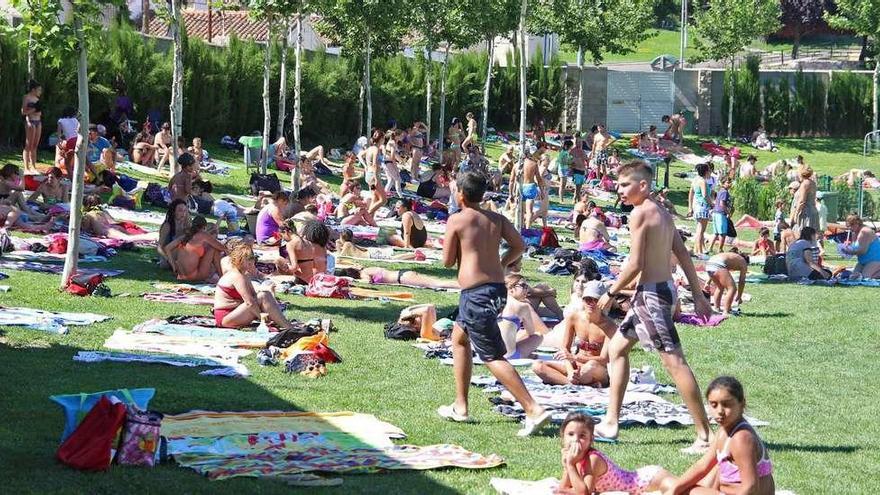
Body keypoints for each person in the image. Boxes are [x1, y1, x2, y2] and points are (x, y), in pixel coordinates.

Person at [595, 161, 713, 451]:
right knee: (616, 348)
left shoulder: (640, 213)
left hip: (651, 297)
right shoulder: (662, 212)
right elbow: (684, 255)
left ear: (643, 186)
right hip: (655, 293)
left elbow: (636, 264)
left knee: (674, 362)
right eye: (619, 185)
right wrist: (697, 295)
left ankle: (705, 435)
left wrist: (611, 291)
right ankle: (611, 422)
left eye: (625, 185)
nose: (619, 190)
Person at [438, 171, 550, 436]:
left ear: (461, 195)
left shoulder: (457, 220)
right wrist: (500, 263)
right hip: (496, 290)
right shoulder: (497, 219)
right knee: (459, 339)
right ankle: (460, 406)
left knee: (491, 356)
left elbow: (446, 261)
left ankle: (533, 409)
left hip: (476, 294)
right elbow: (519, 245)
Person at [668, 376, 775, 495]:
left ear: (742, 403)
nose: (720, 411)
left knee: (675, 486)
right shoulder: (724, 431)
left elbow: (750, 487)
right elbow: (702, 466)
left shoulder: (742, 438)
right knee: (679, 486)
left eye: (726, 404)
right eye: (713, 405)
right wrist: (674, 489)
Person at [557, 412, 676, 495]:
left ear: (591, 439)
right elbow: (563, 489)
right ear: (563, 437)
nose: (575, 440)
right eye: (571, 434)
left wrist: (571, 465)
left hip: (647, 481)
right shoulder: (574, 457)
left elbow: (584, 493)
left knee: (685, 489)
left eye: (582, 436)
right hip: (640, 481)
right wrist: (568, 466)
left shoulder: (592, 459)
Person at [532, 281, 617, 387]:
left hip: (597, 369)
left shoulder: (610, 327)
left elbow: (604, 359)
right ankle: (572, 382)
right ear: (583, 300)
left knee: (590, 366)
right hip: (575, 366)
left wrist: (575, 358)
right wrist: (571, 370)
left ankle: (569, 380)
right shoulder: (574, 318)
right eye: (587, 299)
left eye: (596, 300)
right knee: (538, 366)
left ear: (603, 302)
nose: (591, 303)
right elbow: (564, 349)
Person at [213, 242, 297, 330]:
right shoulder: (237, 276)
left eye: (252, 258)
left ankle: (285, 324)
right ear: (239, 260)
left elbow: (254, 296)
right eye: (249, 258)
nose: (252, 261)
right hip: (225, 317)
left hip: (234, 313)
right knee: (264, 295)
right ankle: (288, 326)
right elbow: (249, 302)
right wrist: (262, 319)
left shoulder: (244, 274)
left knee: (264, 294)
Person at [164, 216, 226, 282]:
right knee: (214, 249)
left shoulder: (185, 236)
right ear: (204, 227)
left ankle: (221, 276)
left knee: (207, 252)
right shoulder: (203, 235)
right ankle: (223, 278)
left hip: (180, 276)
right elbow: (222, 248)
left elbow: (167, 248)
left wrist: (174, 267)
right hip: (193, 276)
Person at [81, 195, 158, 241]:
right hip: (113, 228)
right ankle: (153, 235)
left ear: (86, 205)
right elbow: (111, 221)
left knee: (130, 238)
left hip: (107, 231)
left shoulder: (89, 215)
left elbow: (85, 230)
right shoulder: (101, 212)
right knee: (132, 236)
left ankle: (155, 236)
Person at [276, 219, 329, 284]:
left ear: (286, 232)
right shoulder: (308, 243)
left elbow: (294, 267)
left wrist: (284, 269)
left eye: (282, 235)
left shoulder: (291, 244)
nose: (283, 238)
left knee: (278, 260)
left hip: (301, 280)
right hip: (313, 280)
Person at [703, 250, 749, 315]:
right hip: (718, 264)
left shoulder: (733, 258)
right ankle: (726, 311)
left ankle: (716, 308)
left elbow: (715, 270)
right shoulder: (743, 262)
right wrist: (739, 295)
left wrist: (708, 282)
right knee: (732, 288)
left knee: (720, 287)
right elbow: (742, 281)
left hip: (709, 264)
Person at [340, 266, 460, 289]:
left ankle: (462, 285)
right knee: (436, 282)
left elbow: (367, 282)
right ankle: (462, 284)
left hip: (402, 277)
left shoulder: (363, 274)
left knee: (436, 284)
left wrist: (352, 281)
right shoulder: (366, 269)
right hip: (403, 274)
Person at [838, 214, 880, 279]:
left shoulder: (865, 231)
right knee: (853, 277)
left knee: (864, 277)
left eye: (850, 226)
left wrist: (849, 252)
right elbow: (854, 248)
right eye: (847, 226)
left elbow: (863, 251)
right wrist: (846, 248)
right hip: (862, 261)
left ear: (856, 224)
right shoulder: (854, 232)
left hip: (875, 259)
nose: (849, 228)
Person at [688, 163, 712, 257]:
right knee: (701, 230)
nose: (710, 173)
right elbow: (705, 195)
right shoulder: (703, 181)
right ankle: (699, 252)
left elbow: (691, 194)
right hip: (703, 206)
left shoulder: (695, 180)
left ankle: (698, 249)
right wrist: (712, 204)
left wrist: (690, 207)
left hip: (696, 206)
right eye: (709, 171)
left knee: (700, 229)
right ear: (706, 172)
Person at [158, 199, 191, 269]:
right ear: (173, 212)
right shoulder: (167, 226)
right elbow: (159, 247)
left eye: (185, 210)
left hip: (181, 255)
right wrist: (168, 259)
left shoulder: (186, 225)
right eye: (180, 210)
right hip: (167, 258)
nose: (183, 213)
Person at [363, 129, 387, 214]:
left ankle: (371, 218)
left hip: (369, 175)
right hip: (374, 177)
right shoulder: (376, 149)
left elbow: (361, 156)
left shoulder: (370, 148)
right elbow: (375, 164)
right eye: (384, 138)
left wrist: (365, 166)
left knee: (375, 197)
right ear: (381, 139)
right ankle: (368, 213)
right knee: (383, 200)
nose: (384, 140)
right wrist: (377, 180)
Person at [21, 80, 43, 173]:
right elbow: (23, 112)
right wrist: (34, 109)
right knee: (28, 145)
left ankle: (33, 167)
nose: (40, 92)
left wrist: (39, 110)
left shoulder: (37, 99)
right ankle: (26, 168)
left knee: (35, 145)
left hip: (38, 121)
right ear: (33, 89)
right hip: (30, 121)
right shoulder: (27, 97)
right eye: (39, 90)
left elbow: (39, 112)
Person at [791, 166, 819, 235]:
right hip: (813, 211)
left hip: (806, 213)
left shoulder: (805, 184)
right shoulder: (813, 183)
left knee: (804, 235)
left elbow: (802, 201)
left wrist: (796, 214)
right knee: (811, 236)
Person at [708, 177, 733, 253]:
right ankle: (720, 249)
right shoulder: (724, 192)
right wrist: (728, 212)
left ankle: (710, 247)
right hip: (721, 214)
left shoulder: (720, 191)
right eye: (727, 182)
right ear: (723, 183)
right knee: (723, 233)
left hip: (715, 213)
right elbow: (722, 204)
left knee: (716, 233)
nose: (729, 184)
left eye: (730, 182)